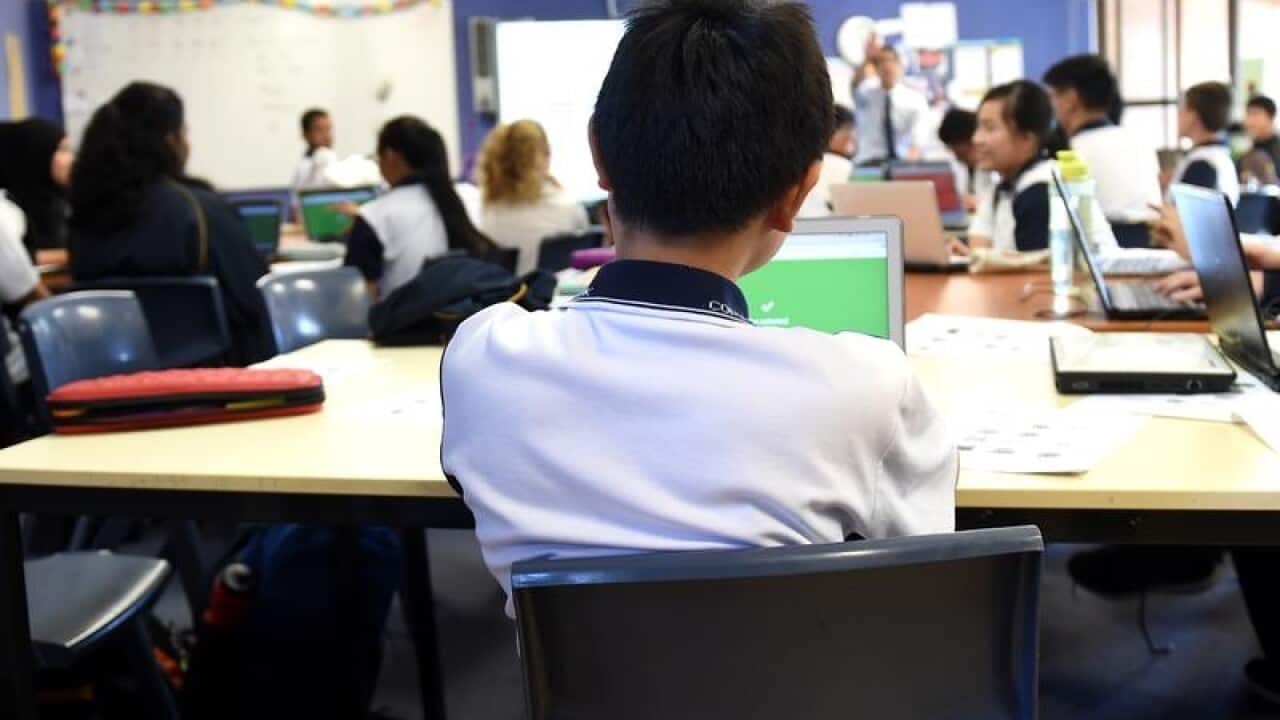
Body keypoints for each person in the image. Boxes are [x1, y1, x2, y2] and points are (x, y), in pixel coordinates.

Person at [440, 0, 957, 617]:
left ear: (598, 154)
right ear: (799, 192)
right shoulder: (869, 384)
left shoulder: (482, 353)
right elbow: (924, 585)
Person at [68, 81, 275, 366]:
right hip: (214, 387)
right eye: (185, 132)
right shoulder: (201, 211)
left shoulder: (84, 215)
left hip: (108, 382)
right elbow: (256, 299)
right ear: (170, 141)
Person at [344, 115, 494, 299]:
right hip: (467, 318)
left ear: (391, 156)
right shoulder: (466, 198)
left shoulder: (375, 215)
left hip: (406, 324)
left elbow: (360, 299)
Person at [962, 80, 1115, 255]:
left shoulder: (1042, 189)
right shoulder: (1003, 187)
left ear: (1028, 138)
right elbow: (980, 250)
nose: (976, 139)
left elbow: (1035, 272)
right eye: (978, 127)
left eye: (989, 128)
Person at [1043, 54, 1163, 248]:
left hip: (1104, 251)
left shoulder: (1071, 152)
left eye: (1053, 96)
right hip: (1156, 245)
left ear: (1071, 99)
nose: (1052, 106)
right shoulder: (1140, 140)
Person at [476, 119, 589, 274]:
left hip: (507, 296)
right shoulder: (568, 206)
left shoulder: (489, 211)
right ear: (547, 152)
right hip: (557, 294)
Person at [0, 118, 74, 257]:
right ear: (39, 153)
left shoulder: (62, 198)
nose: (71, 159)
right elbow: (19, 259)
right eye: (62, 150)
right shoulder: (8, 209)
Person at [852, 39, 928, 166]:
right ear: (875, 68)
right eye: (882, 61)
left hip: (902, 163)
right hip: (868, 162)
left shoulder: (915, 100)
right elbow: (854, 85)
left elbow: (918, 140)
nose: (887, 66)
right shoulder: (866, 92)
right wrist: (867, 58)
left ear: (901, 65)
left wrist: (906, 169)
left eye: (892, 60)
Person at [1169, 81, 1240, 205]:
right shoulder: (1220, 156)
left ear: (1193, 116)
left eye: (1182, 110)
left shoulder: (1201, 164)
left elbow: (1182, 217)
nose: (1178, 116)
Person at [798, 104, 856, 218]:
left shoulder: (800, 165)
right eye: (848, 129)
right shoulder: (845, 167)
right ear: (831, 134)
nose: (852, 136)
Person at [937, 107, 990, 211]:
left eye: (960, 153)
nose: (957, 157)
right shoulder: (965, 168)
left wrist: (979, 203)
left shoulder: (995, 170)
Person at [292, 108, 336, 192]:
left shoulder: (333, 160)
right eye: (319, 130)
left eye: (328, 129)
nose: (326, 136)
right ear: (305, 135)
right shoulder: (303, 170)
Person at [1241, 95, 1280, 186]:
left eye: (1255, 114)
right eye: (1247, 114)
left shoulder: (1277, 151)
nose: (1249, 121)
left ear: (1271, 116)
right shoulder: (1249, 153)